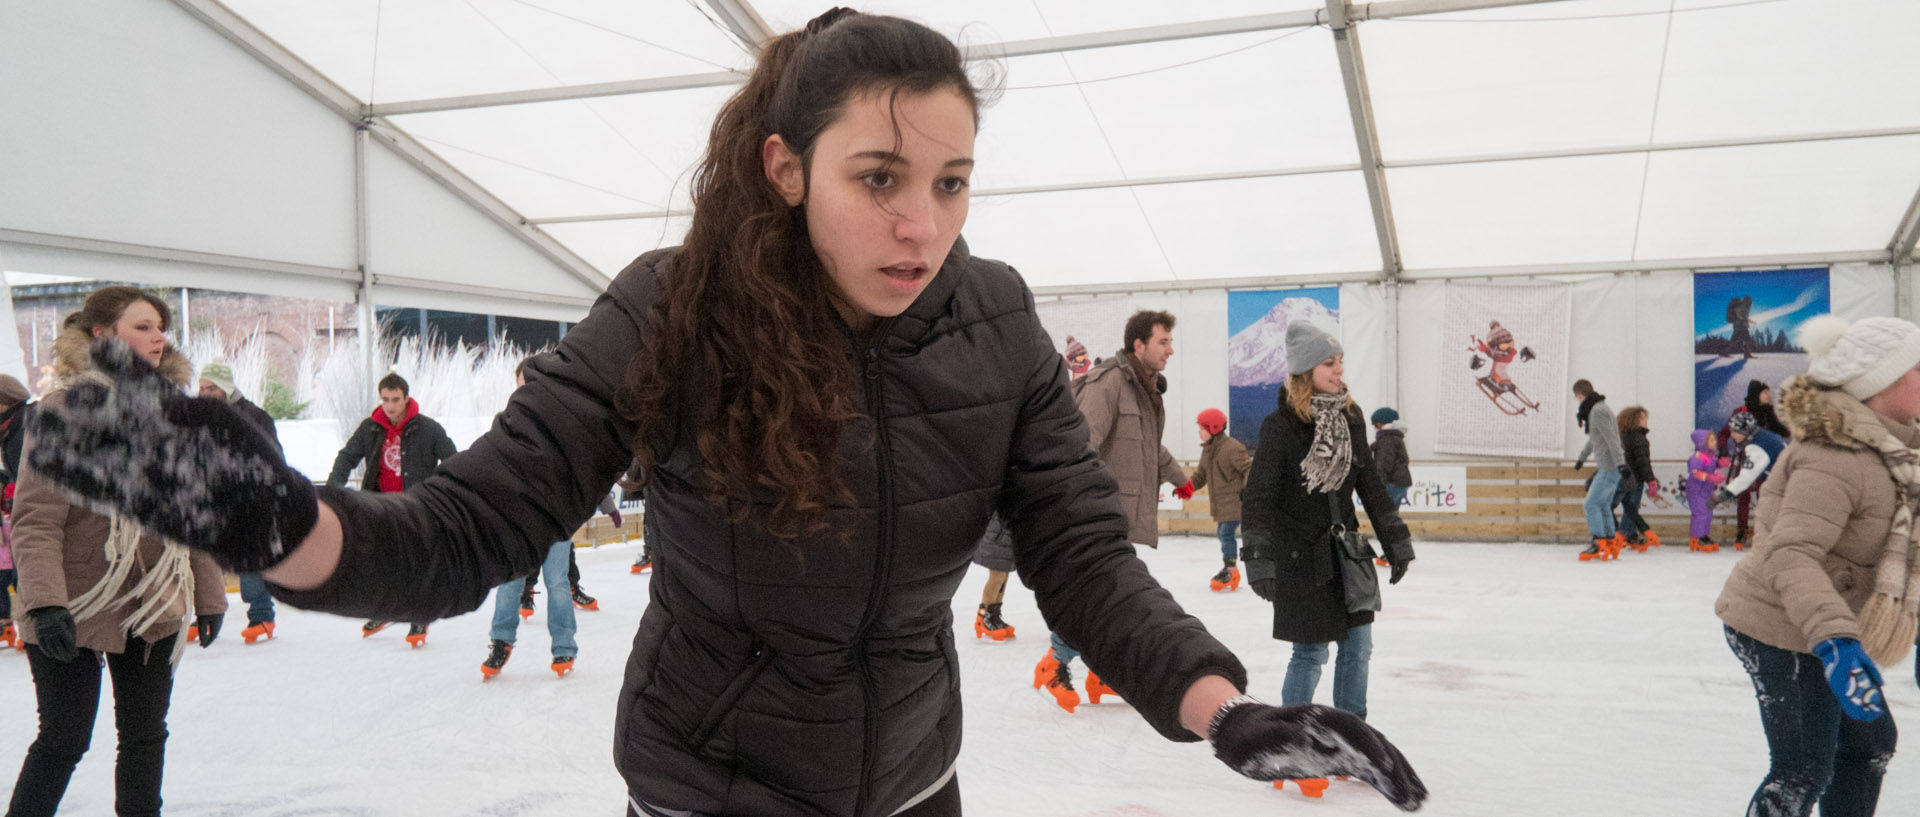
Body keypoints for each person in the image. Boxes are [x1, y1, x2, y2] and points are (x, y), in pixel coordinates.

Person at [22, 11, 1427, 817]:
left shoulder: (993, 316)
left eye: (950, 183)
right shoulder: (669, 312)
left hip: (911, 779)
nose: (920, 221)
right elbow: (470, 530)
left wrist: (1219, 702)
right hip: (715, 787)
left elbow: (1083, 553)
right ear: (782, 165)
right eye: (878, 176)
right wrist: (290, 527)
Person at [7, 286, 229, 817]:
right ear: (103, 335)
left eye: (160, 327)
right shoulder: (61, 412)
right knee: (64, 739)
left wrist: (211, 595)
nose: (158, 339)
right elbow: (36, 520)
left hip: (151, 599)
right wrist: (44, 602)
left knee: (145, 736)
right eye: (143, 326)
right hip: (74, 599)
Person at [1716, 315, 1920, 817]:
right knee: (1803, 767)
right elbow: (1791, 554)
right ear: (1882, 383)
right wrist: (1836, 642)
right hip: (1780, 623)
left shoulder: (1900, 452)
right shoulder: (1834, 456)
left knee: (1870, 745)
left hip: (1831, 621)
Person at [1241, 321, 1415, 797]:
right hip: (1300, 555)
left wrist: (1396, 540)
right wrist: (1257, 556)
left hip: (1347, 552)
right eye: (1329, 363)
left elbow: (1370, 484)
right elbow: (1258, 495)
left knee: (1358, 648)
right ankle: (1289, 742)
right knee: (1312, 651)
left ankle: (1350, 739)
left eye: (1340, 362)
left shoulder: (1351, 417)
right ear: (1304, 371)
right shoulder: (1280, 427)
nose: (1339, 371)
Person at [1034, 308, 1189, 714]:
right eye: (1163, 341)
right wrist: (1080, 507)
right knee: (1100, 597)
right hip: (1099, 513)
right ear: (1139, 345)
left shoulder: (1144, 388)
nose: (1171, 350)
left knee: (1112, 599)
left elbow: (1151, 446)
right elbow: (1078, 444)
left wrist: (1177, 476)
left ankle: (1099, 674)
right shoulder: (1108, 384)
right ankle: (1053, 663)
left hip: (1125, 512)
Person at [325, 371, 457, 646]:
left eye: (396, 399)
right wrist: (333, 491)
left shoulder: (429, 429)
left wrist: (444, 492)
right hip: (379, 507)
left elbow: (453, 460)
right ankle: (385, 610)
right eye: (385, 399)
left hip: (416, 507)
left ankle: (419, 616)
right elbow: (346, 457)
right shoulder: (370, 428)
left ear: (406, 399)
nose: (390, 406)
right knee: (381, 564)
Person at [198, 361, 284, 643]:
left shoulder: (254, 416)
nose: (205, 394)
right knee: (203, 560)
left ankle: (261, 616)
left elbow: (273, 458)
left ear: (226, 388)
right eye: (201, 388)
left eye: (211, 388)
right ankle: (206, 615)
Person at [1178, 407, 1249, 592]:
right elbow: (1201, 475)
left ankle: (1231, 571)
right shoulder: (1209, 450)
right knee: (1222, 534)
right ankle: (1229, 568)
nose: (1199, 433)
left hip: (1234, 502)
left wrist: (1246, 491)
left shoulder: (1232, 448)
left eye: (1202, 428)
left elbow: (1249, 469)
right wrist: (1187, 488)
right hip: (1221, 504)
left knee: (1225, 534)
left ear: (1215, 428)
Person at [1572, 379, 1627, 561]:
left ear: (1579, 395)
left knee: (1590, 504)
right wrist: (1582, 457)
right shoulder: (1599, 408)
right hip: (1610, 466)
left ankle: (1598, 541)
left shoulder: (1597, 411)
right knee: (1602, 504)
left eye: (1576, 398)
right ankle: (1610, 540)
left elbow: (1612, 439)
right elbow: (1595, 438)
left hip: (1609, 467)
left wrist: (1620, 463)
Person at [1720, 409, 1788, 551]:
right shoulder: (1763, 436)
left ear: (1744, 431)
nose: (1731, 435)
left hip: (1788, 486)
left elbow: (1747, 476)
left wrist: (1726, 494)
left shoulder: (1757, 445)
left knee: (1768, 516)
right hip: (1787, 484)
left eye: (1734, 431)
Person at [0, 373, 31, 650]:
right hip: (25, 516)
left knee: (25, 572)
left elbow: (30, 482)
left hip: (37, 519)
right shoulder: (11, 427)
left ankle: (29, 629)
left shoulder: (23, 429)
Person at [1614, 406, 1658, 550]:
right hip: (1634, 479)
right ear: (1635, 420)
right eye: (1643, 418)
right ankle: (1627, 534)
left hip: (1620, 477)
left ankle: (1623, 533)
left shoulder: (1621, 436)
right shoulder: (1639, 438)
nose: (1646, 421)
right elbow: (1643, 462)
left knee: (1623, 506)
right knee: (1631, 507)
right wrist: (1651, 480)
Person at [969, 515, 1016, 641]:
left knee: (1004, 576)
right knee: (997, 576)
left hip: (1007, 536)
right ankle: (983, 618)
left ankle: (993, 616)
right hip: (998, 536)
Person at [1685, 430, 1728, 553]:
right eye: (1712, 440)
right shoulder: (1697, 457)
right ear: (1702, 443)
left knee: (1708, 514)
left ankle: (1704, 535)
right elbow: (1695, 472)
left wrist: (1719, 464)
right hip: (1696, 490)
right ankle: (1697, 538)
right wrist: (1711, 477)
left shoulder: (1711, 456)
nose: (1715, 443)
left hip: (1707, 491)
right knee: (1700, 514)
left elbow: (1712, 467)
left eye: (1715, 440)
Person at [1368, 407, 1411, 508]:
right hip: (1400, 482)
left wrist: (1379, 484)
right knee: (1392, 511)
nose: (1375, 428)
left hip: (1392, 482)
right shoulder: (1395, 438)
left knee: (1386, 512)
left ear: (1382, 424)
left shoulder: (1387, 440)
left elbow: (1384, 465)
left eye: (1376, 425)